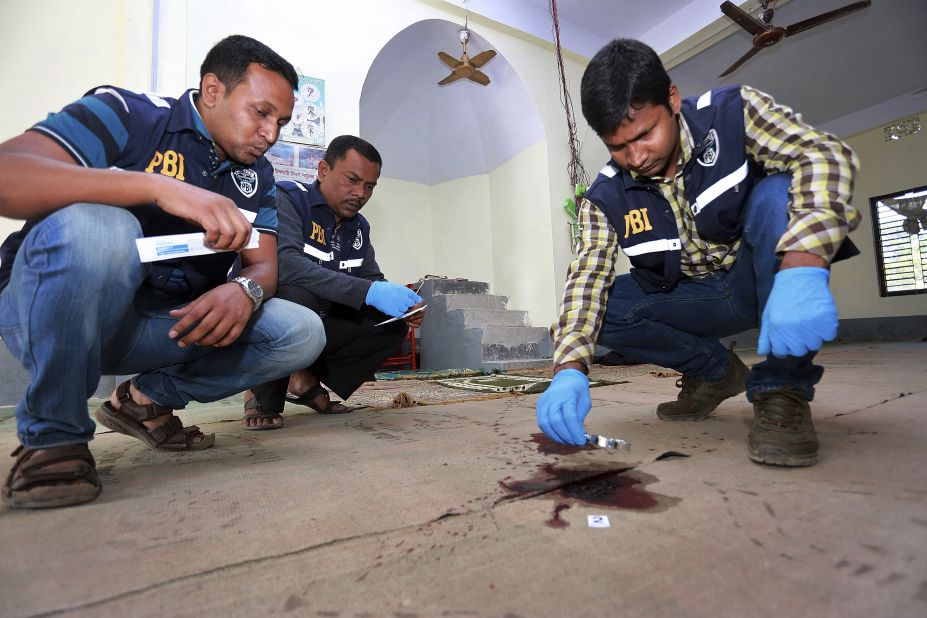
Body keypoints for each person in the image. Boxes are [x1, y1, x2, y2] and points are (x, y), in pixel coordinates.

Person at [0, 35, 326, 509]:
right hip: (47, 309)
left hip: (154, 325)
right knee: (101, 227)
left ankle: (142, 399)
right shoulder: (129, 114)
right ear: (212, 90)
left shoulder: (259, 176)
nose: (271, 134)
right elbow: (8, 174)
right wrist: (154, 188)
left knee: (300, 331)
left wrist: (245, 290)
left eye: (281, 121)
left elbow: (264, 265)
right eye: (261, 113)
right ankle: (54, 437)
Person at [537, 39, 860, 467]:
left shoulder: (732, 114)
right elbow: (586, 279)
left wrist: (804, 264)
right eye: (618, 146)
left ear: (672, 99)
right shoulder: (604, 195)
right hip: (693, 296)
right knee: (602, 306)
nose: (635, 158)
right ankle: (715, 373)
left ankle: (784, 390)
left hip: (759, 282)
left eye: (645, 135)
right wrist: (569, 371)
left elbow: (822, 155)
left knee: (778, 195)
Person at [243, 135, 423, 429]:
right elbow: (285, 266)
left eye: (369, 186)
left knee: (391, 323)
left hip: (324, 320)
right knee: (297, 297)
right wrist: (369, 291)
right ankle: (260, 393)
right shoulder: (287, 199)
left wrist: (404, 303)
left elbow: (370, 277)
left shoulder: (359, 227)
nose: (360, 193)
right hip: (282, 313)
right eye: (352, 180)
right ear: (323, 170)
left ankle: (304, 380)